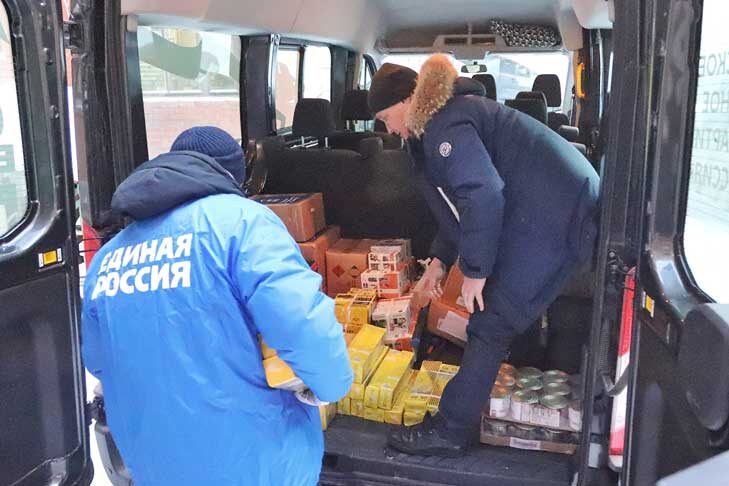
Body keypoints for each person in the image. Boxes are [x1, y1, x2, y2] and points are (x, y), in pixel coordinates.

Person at [81, 126, 353, 485]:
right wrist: (331, 385)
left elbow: (99, 362)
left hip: (153, 464)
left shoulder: (110, 256)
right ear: (233, 177)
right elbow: (302, 323)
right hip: (254, 463)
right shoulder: (242, 223)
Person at [368, 56, 599, 456]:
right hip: (545, 211)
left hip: (559, 215)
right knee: (499, 310)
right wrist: (440, 262)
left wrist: (474, 269)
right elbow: (458, 206)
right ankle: (503, 399)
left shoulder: (447, 125)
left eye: (387, 116)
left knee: (491, 320)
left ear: (410, 99)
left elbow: (483, 193)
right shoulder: (432, 127)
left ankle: (450, 431)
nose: (387, 129)